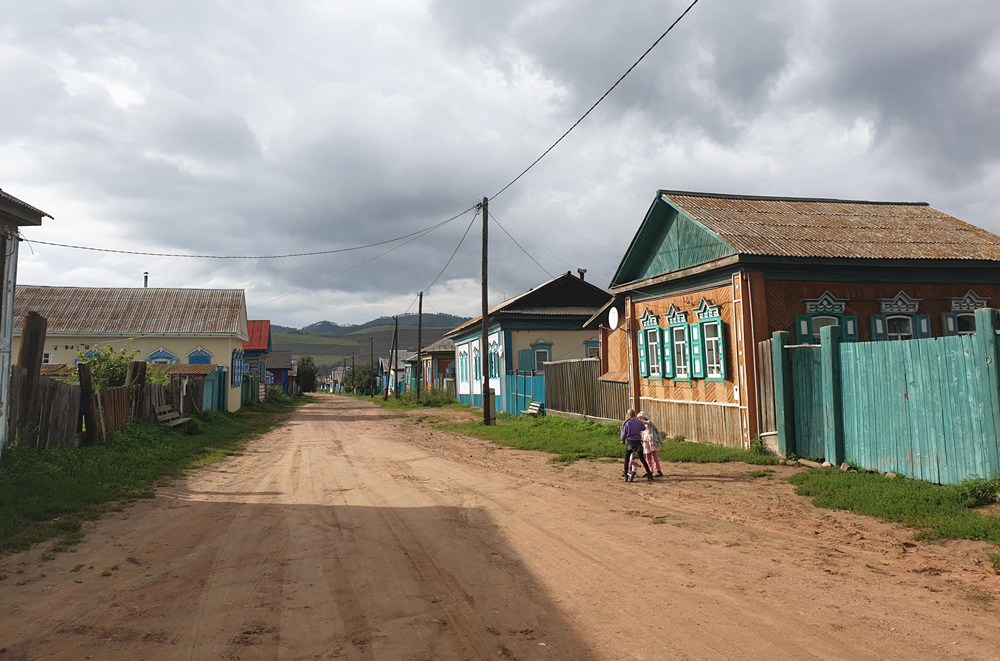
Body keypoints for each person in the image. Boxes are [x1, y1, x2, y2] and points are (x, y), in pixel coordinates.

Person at [620, 409, 653, 482]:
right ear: (635, 415)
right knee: (642, 458)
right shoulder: (638, 422)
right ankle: (649, 473)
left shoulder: (627, 423)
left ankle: (625, 475)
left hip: (630, 442)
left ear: (628, 415)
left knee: (627, 458)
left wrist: (623, 440)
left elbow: (623, 434)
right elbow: (643, 428)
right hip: (638, 442)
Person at [638, 412, 663, 478]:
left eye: (641, 418)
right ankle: (650, 470)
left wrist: (642, 421)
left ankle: (658, 470)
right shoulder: (642, 427)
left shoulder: (649, 422)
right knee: (648, 458)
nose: (640, 419)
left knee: (654, 457)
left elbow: (649, 423)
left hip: (651, 442)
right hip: (646, 443)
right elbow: (642, 434)